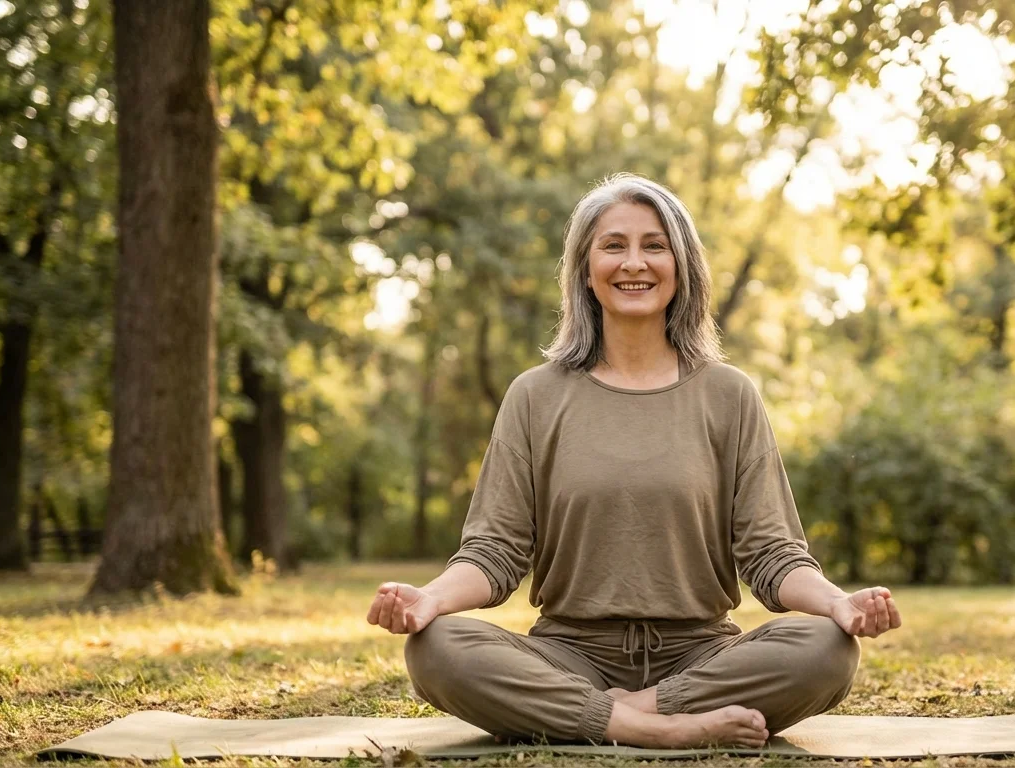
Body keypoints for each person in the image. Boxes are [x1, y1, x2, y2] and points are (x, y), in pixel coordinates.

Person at [365, 173, 901, 750]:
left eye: (654, 245)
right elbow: (494, 552)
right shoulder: (535, 396)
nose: (634, 263)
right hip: (567, 655)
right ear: (585, 271)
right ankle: (660, 731)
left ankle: (625, 716)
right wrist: (432, 600)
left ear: (681, 266)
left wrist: (836, 603)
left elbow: (772, 554)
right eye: (613, 245)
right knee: (436, 650)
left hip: (701, 656)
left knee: (826, 649)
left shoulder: (728, 395)